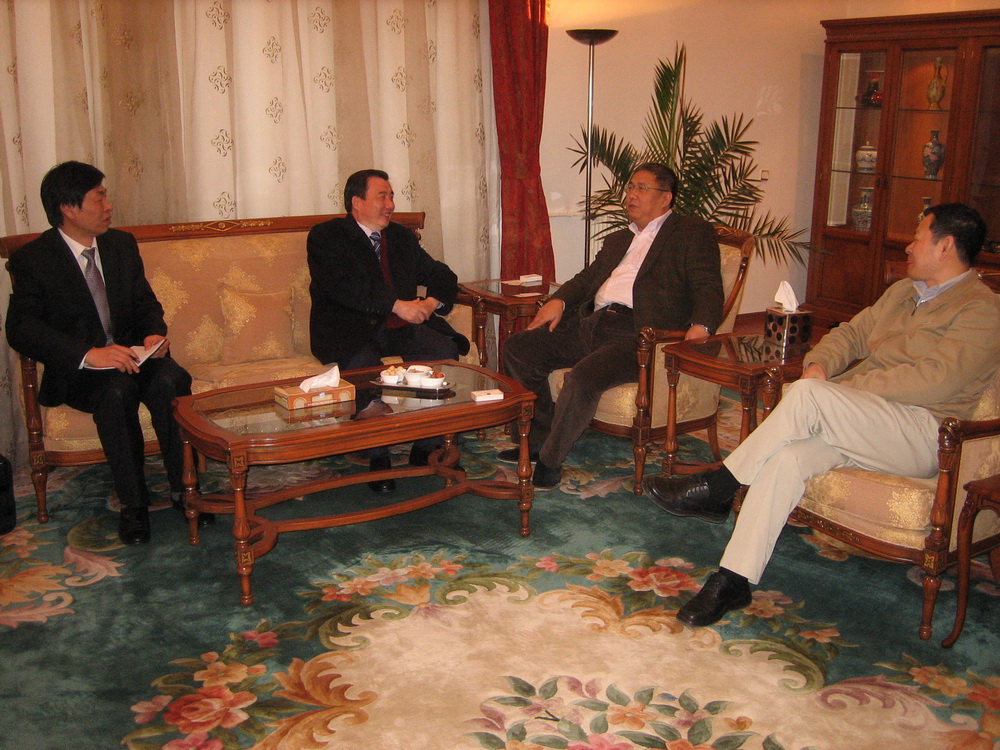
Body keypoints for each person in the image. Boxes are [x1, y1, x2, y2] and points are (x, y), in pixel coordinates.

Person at [644, 203, 1000, 627]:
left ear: (945, 246)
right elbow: (849, 333)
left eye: (918, 237)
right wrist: (820, 365)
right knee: (786, 458)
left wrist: (841, 389)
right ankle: (733, 579)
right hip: (865, 421)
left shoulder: (981, 310)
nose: (908, 246)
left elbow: (935, 381)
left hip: (926, 433)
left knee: (809, 396)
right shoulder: (905, 292)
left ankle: (721, 484)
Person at [6, 161, 202, 545]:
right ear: (68, 207)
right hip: (82, 370)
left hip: (133, 356)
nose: (109, 205)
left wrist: (153, 334)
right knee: (116, 392)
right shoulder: (34, 259)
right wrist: (89, 354)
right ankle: (134, 504)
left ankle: (187, 490)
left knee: (172, 380)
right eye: (99, 198)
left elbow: (146, 303)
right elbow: (21, 329)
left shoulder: (120, 245)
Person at [501, 162, 724, 489]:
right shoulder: (620, 238)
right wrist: (557, 302)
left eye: (641, 188)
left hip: (638, 335)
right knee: (519, 349)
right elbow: (587, 278)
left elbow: (708, 285)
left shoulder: (691, 233)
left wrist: (701, 326)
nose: (631, 195)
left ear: (666, 198)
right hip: (592, 324)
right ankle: (539, 438)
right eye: (630, 187)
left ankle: (550, 459)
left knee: (583, 378)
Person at [307, 168, 469, 491]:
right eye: (382, 196)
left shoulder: (400, 237)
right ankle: (378, 457)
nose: (391, 205)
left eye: (392, 196)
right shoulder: (327, 236)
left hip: (397, 328)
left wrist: (430, 303)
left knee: (443, 351)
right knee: (365, 367)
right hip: (349, 328)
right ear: (357, 202)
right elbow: (344, 287)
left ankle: (425, 446)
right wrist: (397, 304)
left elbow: (442, 274)